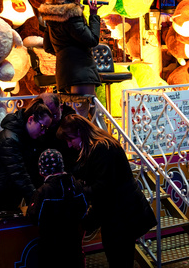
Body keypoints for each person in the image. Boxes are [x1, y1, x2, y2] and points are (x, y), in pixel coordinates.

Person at [57, 114, 154, 268]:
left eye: (70, 139)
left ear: (80, 133)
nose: (69, 145)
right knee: (119, 257)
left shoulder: (102, 148)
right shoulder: (100, 145)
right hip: (121, 213)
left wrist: (78, 191)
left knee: (119, 258)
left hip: (122, 215)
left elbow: (103, 188)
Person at [0, 103, 54, 216]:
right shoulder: (10, 139)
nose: (43, 132)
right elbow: (19, 174)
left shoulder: (23, 137)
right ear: (30, 119)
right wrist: (36, 201)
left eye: (46, 129)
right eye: (42, 127)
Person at [26, 148, 89, 268]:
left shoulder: (43, 191)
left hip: (51, 247)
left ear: (42, 171)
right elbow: (84, 209)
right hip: (74, 245)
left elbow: (35, 217)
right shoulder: (76, 185)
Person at [39, 0, 102, 98]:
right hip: (81, 72)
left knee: (76, 112)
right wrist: (93, 15)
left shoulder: (51, 19)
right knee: (84, 111)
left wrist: (66, 52)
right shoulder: (73, 16)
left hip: (64, 74)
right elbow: (92, 40)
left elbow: (48, 46)